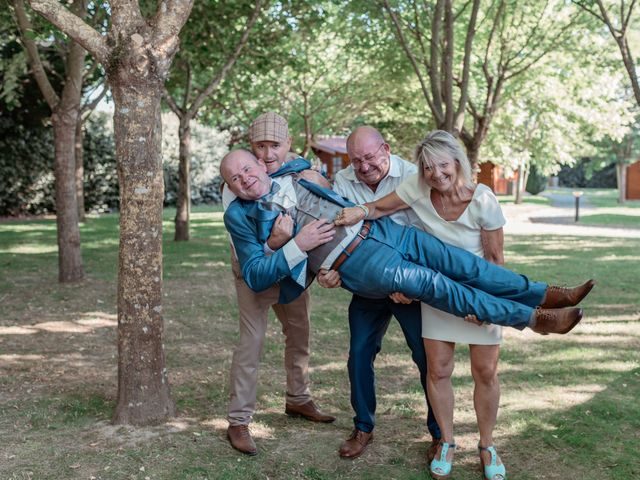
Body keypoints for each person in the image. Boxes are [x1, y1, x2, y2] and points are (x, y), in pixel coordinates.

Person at [339, 130, 589, 479]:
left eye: (443, 165)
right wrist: (357, 212)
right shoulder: (417, 188)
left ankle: (487, 445)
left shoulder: (482, 197)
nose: (436, 174)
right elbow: (380, 207)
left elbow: (495, 262)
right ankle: (447, 441)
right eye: (428, 167)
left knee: (485, 373)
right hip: (437, 293)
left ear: (458, 162)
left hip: (479, 292)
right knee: (438, 370)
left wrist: (484, 306)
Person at [221, 149, 592, 337]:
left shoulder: (294, 168)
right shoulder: (239, 215)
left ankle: (548, 293)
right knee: (442, 287)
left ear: (260, 163)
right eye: (235, 180)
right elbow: (255, 274)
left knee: (467, 265)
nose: (246, 180)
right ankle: (533, 319)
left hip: (385, 231)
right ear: (232, 188)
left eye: (248, 170)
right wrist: (293, 245)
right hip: (360, 262)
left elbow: (299, 163)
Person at [316, 126, 441, 460]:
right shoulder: (343, 181)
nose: (363, 167)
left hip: (408, 283)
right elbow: (337, 233)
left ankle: (440, 434)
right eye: (356, 160)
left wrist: (411, 286)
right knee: (358, 354)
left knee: (426, 357)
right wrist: (329, 273)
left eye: (369, 157)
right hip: (369, 286)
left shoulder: (414, 176)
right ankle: (363, 428)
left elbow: (429, 232)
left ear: (386, 149)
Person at [223, 112, 335, 457]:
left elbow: (329, 206)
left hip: (293, 273)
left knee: (300, 333)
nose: (269, 154)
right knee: (251, 344)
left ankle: (298, 399)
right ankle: (238, 421)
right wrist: (280, 243)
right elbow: (256, 267)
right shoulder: (235, 199)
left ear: (288, 145)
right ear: (254, 150)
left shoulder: (299, 173)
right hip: (254, 274)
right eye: (261, 146)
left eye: (275, 146)